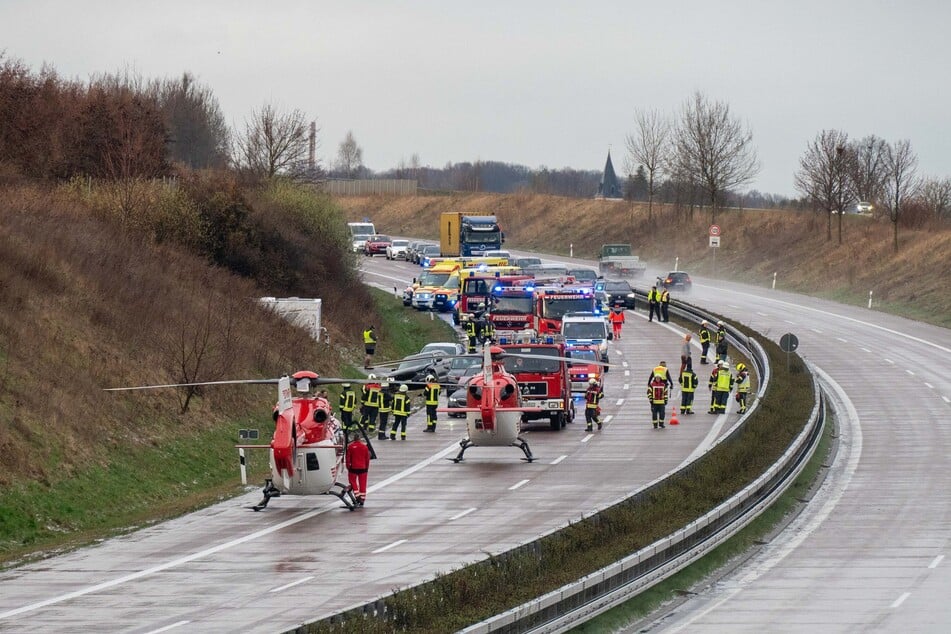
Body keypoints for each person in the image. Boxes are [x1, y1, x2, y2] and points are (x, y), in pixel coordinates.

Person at [345, 434, 371, 507]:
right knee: (363, 483)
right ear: (360, 439)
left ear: (354, 439)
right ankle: (362, 499)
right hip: (363, 468)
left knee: (352, 481)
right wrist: (367, 468)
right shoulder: (364, 447)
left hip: (353, 468)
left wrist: (348, 467)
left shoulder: (350, 447)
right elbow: (367, 459)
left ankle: (357, 496)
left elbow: (348, 458)